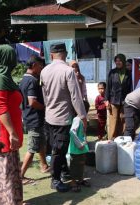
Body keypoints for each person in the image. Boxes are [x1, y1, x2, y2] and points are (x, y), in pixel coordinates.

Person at [40, 42, 87, 192]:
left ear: (52, 55)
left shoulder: (44, 70)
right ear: (65, 54)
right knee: (59, 150)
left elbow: (45, 96)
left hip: (49, 116)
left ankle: (64, 173)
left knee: (56, 147)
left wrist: (49, 107)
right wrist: (83, 116)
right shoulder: (68, 71)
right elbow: (76, 97)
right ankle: (55, 180)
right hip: (63, 117)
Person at [0, 45, 24, 205]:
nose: (15, 60)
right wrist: (12, 133)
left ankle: (15, 201)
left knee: (13, 173)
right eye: (12, 56)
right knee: (6, 176)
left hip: (10, 136)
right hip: (4, 136)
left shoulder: (4, 77)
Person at [19, 55, 50, 185]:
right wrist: (46, 108)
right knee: (32, 148)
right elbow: (32, 102)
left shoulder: (24, 79)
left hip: (30, 116)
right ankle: (20, 175)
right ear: (33, 65)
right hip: (33, 118)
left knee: (40, 142)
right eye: (40, 65)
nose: (41, 68)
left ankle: (44, 166)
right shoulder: (31, 81)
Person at [105, 53, 132, 140]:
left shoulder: (128, 73)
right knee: (113, 120)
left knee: (123, 120)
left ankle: (121, 138)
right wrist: (106, 99)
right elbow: (108, 86)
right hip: (113, 100)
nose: (118, 62)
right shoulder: (112, 72)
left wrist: (130, 100)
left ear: (123, 61)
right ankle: (111, 139)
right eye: (116, 61)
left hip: (125, 101)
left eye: (120, 60)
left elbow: (130, 87)